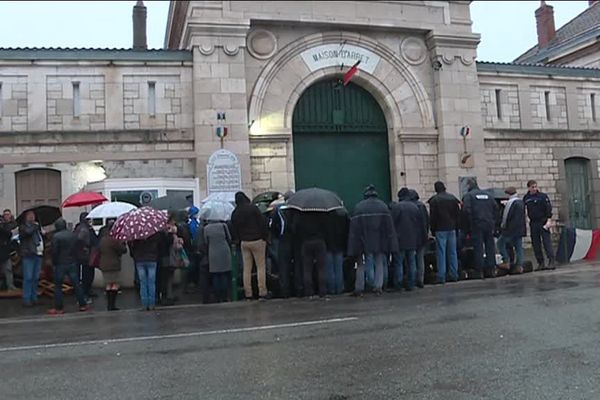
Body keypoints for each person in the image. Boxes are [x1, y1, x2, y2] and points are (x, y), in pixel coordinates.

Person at [347, 185, 398, 296]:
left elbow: (354, 229)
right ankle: (378, 287)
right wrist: (390, 242)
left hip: (362, 241)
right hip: (379, 241)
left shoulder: (359, 207)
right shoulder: (383, 206)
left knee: (361, 264)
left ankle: (360, 288)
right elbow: (389, 227)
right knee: (379, 262)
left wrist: (353, 244)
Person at [231, 191, 270, 300]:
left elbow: (234, 229)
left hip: (244, 242)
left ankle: (248, 294)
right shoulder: (253, 209)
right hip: (257, 240)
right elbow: (262, 222)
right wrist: (265, 237)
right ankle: (262, 292)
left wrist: (238, 240)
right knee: (260, 267)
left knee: (246, 269)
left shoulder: (235, 212)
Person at [48, 218, 88, 315]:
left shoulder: (56, 236)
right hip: (72, 261)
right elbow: (77, 247)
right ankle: (82, 304)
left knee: (58, 286)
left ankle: (59, 307)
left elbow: (54, 251)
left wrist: (54, 262)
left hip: (60, 263)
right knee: (76, 284)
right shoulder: (72, 235)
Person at [462, 178, 498, 279]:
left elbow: (466, 211)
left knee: (478, 248)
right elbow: (496, 209)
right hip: (489, 224)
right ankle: (491, 269)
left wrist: (468, 226)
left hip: (476, 224)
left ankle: (480, 270)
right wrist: (493, 221)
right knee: (490, 247)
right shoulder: (488, 195)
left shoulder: (469, 196)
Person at [428, 181, 461, 284]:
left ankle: (441, 276)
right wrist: (457, 227)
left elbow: (433, 217)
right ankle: (454, 274)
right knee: (452, 252)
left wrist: (432, 230)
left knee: (441, 253)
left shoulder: (434, 200)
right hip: (451, 228)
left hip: (440, 229)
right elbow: (457, 214)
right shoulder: (452, 198)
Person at [292, 211, 329, 298]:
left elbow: (295, 229)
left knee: (307, 268)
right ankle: (322, 291)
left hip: (306, 242)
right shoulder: (321, 215)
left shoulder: (301, 217)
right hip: (319, 241)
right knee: (321, 268)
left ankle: (309, 291)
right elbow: (326, 228)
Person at [390, 188, 421, 291]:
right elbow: (419, 224)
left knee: (399, 263)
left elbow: (392, 223)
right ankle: (411, 283)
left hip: (400, 240)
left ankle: (398, 284)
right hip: (412, 239)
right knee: (412, 262)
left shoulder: (397, 207)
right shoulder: (415, 207)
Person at [198, 218, 232, 303]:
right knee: (224, 273)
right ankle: (224, 296)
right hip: (224, 251)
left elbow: (206, 241)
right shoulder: (224, 226)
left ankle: (218, 296)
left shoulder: (206, 228)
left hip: (212, 252)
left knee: (216, 275)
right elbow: (229, 238)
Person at [524, 180, 555, 270]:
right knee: (536, 244)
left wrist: (549, 220)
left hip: (543, 221)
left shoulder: (542, 196)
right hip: (533, 222)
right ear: (529, 188)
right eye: (532, 187)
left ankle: (551, 261)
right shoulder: (527, 198)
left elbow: (548, 208)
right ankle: (540, 262)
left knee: (546, 242)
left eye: (535, 187)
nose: (534, 189)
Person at [497, 187, 526, 275]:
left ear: (507, 194)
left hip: (511, 229)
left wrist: (503, 226)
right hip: (520, 229)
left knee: (500, 243)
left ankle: (506, 261)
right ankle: (519, 266)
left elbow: (505, 217)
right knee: (518, 247)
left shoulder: (510, 203)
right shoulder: (521, 202)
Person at [98, 220, 127, 311]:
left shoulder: (102, 239)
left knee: (108, 284)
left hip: (104, 264)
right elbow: (123, 250)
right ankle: (112, 305)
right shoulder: (114, 240)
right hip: (114, 264)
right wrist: (123, 243)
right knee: (115, 284)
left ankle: (109, 305)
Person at [18, 210, 44, 307]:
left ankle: (34, 297)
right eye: (30, 215)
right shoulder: (23, 227)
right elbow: (27, 233)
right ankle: (26, 298)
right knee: (28, 277)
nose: (32, 217)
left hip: (38, 254)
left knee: (36, 278)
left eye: (33, 215)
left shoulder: (36, 227)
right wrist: (35, 226)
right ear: (26, 217)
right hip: (28, 254)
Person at [129, 232, 161, 311]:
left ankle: (144, 304)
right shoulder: (154, 234)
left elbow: (132, 248)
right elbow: (159, 245)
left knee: (143, 283)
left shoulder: (136, 235)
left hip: (140, 260)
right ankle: (152, 304)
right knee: (151, 282)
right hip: (152, 259)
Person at [74, 212, 99, 302]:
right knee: (86, 276)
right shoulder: (83, 229)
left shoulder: (81, 228)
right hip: (85, 256)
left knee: (86, 274)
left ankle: (86, 292)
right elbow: (81, 239)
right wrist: (86, 246)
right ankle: (84, 294)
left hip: (84, 256)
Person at [324, 208, 349, 295]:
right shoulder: (342, 216)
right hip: (339, 245)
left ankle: (331, 289)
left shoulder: (324, 217)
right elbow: (346, 231)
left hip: (328, 245)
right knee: (339, 268)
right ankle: (340, 288)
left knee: (329, 269)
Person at [408, 189, 429, 288]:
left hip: (412, 236)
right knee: (420, 259)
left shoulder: (409, 207)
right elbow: (426, 221)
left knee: (411, 259)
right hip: (422, 235)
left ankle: (412, 279)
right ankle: (420, 279)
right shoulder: (421, 206)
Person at [0, 209, 17, 291]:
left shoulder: (13, 224)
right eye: (5, 214)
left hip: (9, 249)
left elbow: (11, 234)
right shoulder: (2, 224)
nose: (6, 216)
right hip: (3, 248)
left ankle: (10, 285)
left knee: (8, 269)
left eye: (8, 214)